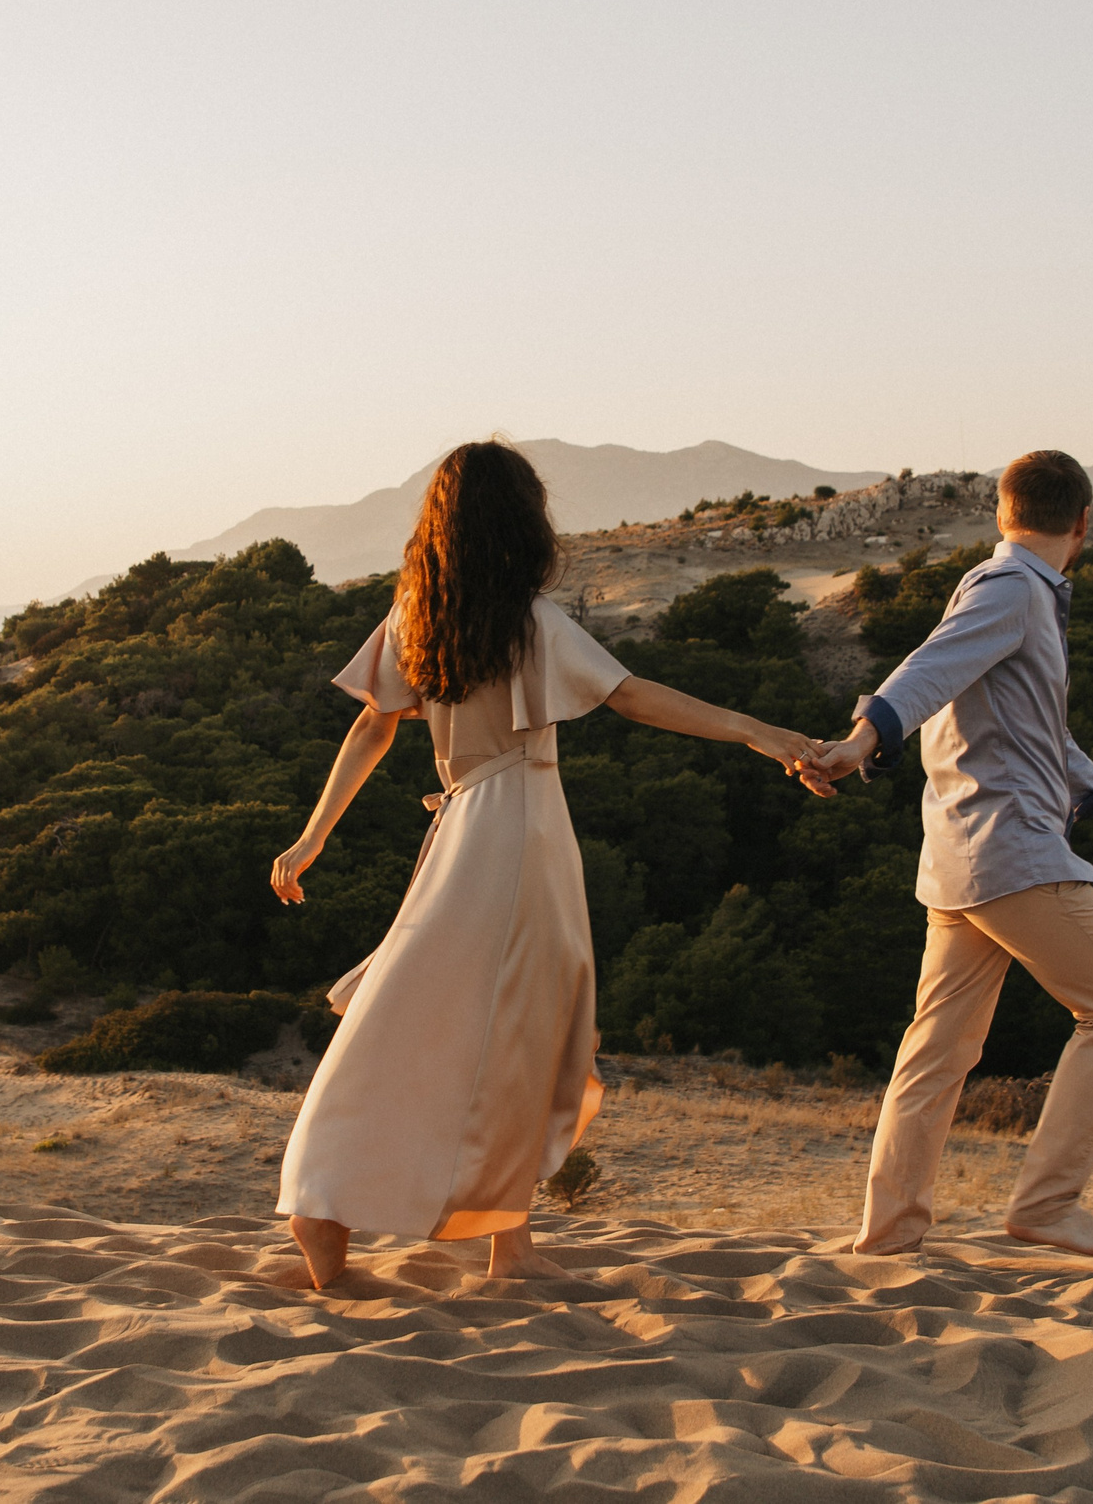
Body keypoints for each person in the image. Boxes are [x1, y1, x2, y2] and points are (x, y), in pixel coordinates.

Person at [268, 441, 823, 1289]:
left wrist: (312, 837)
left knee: (400, 1012)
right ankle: (507, 1246)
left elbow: (373, 725)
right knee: (523, 1032)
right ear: (521, 521)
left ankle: (328, 1207)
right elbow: (632, 694)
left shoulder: (418, 612)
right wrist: (760, 731)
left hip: (458, 828)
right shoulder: (528, 621)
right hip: (522, 828)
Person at [805, 450, 1093, 1258]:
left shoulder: (1003, 587)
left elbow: (1034, 727)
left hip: (960, 856)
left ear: (1002, 513)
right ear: (1084, 522)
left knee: (939, 1048)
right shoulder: (1011, 590)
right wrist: (862, 737)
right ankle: (1047, 1204)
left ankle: (890, 1230)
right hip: (1010, 850)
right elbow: (925, 673)